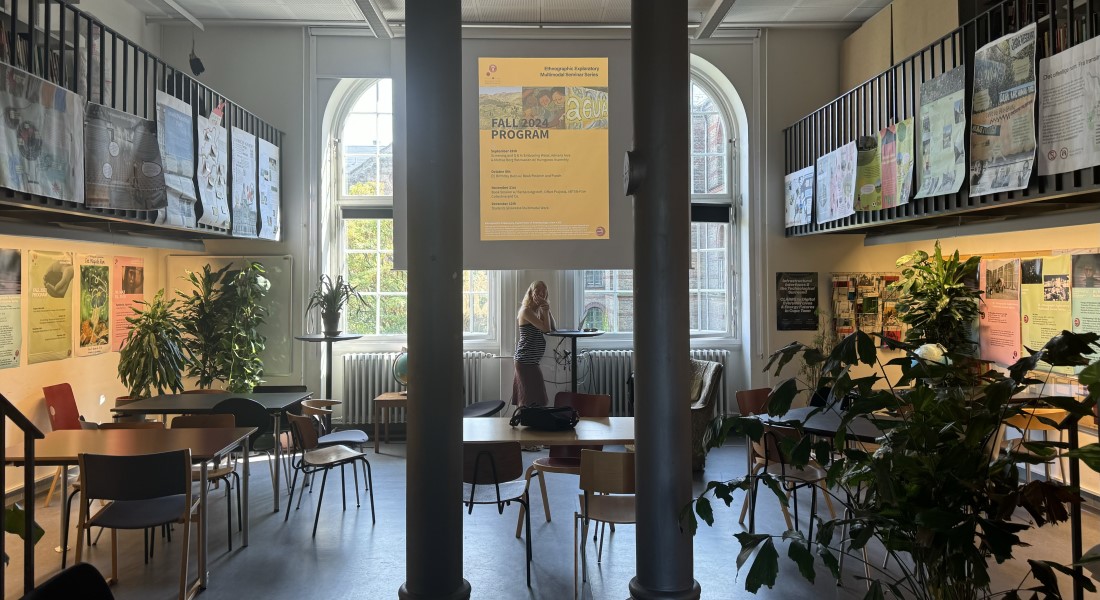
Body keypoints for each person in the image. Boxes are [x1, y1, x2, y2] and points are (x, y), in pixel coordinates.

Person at [511, 280, 555, 409]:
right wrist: (545, 310)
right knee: (529, 400)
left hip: (532, 361)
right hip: (525, 361)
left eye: (544, 291)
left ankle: (527, 420)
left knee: (534, 398)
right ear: (531, 293)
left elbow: (553, 327)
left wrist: (546, 309)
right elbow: (546, 329)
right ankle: (523, 420)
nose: (541, 294)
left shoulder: (537, 311)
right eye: (538, 291)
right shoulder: (526, 311)